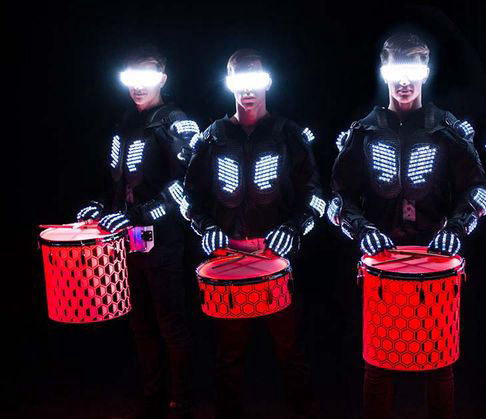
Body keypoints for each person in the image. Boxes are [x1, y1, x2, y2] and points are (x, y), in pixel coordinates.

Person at [328, 33, 486, 419]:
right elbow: (336, 199)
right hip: (381, 263)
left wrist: (457, 228)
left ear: (426, 72)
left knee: (439, 361)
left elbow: (480, 191)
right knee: (379, 363)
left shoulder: (448, 129)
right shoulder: (363, 131)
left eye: (413, 72)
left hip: (436, 259)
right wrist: (361, 230)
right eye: (396, 72)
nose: (404, 82)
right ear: (384, 72)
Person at [184, 49, 321, 418]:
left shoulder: (288, 134)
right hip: (229, 259)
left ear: (268, 83)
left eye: (255, 81)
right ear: (229, 84)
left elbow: (317, 197)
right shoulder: (213, 137)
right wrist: (205, 227)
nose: (248, 91)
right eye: (240, 82)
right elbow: (188, 196)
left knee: (290, 348)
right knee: (228, 353)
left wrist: (295, 228)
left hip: (276, 258)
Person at [75, 45, 198, 419]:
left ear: (162, 79)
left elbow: (186, 188)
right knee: (140, 323)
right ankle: (152, 399)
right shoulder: (126, 122)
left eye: (146, 77)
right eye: (131, 78)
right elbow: (119, 185)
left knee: (170, 324)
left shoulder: (175, 122)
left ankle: (181, 402)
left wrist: (139, 216)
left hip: (163, 240)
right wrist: (101, 207)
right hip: (128, 241)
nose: (138, 86)